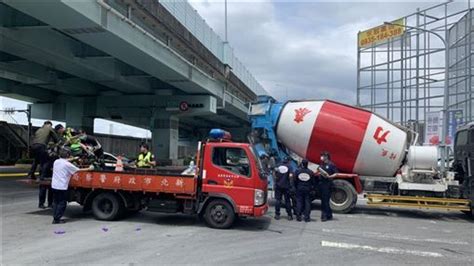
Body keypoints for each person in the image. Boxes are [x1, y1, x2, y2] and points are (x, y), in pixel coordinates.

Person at [51, 147, 92, 224]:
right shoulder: (68, 164)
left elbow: (65, 161)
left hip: (54, 186)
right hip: (62, 187)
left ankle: (55, 217)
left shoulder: (56, 161)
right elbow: (78, 170)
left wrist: (74, 158)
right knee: (62, 203)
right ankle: (57, 219)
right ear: (68, 155)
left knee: (56, 202)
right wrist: (89, 168)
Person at [318, 151, 338, 222]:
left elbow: (336, 173)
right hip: (321, 184)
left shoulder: (331, 164)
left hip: (327, 184)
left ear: (326, 157)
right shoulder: (321, 164)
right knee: (323, 200)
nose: (321, 157)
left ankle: (324, 216)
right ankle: (329, 215)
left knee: (325, 201)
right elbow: (319, 170)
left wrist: (330, 176)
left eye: (322, 156)